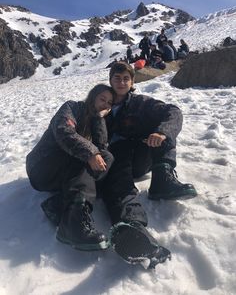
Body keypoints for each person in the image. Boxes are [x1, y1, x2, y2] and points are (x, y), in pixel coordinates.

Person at [101, 62, 197, 227]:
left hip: (140, 160)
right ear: (110, 80)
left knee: (163, 130)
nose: (122, 83)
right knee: (120, 149)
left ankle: (163, 179)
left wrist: (161, 132)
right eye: (117, 78)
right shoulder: (102, 103)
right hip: (116, 164)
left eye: (126, 79)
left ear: (132, 82)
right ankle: (128, 218)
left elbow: (173, 112)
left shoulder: (140, 103)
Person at [26, 84, 114, 251]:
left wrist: (99, 118)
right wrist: (90, 153)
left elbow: (101, 149)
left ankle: (59, 205)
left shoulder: (95, 119)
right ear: (92, 97)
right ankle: (73, 224)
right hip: (41, 167)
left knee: (106, 157)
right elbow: (64, 131)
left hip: (62, 172)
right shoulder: (72, 107)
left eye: (109, 102)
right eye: (102, 99)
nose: (105, 104)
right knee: (84, 156)